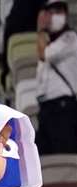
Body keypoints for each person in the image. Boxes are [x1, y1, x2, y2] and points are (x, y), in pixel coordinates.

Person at [41, 0, 77, 156]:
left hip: (64, 105)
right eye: (51, 12)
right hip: (47, 105)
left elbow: (46, 55)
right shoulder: (50, 39)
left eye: (59, 12)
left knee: (65, 154)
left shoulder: (70, 37)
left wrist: (40, 30)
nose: (55, 16)